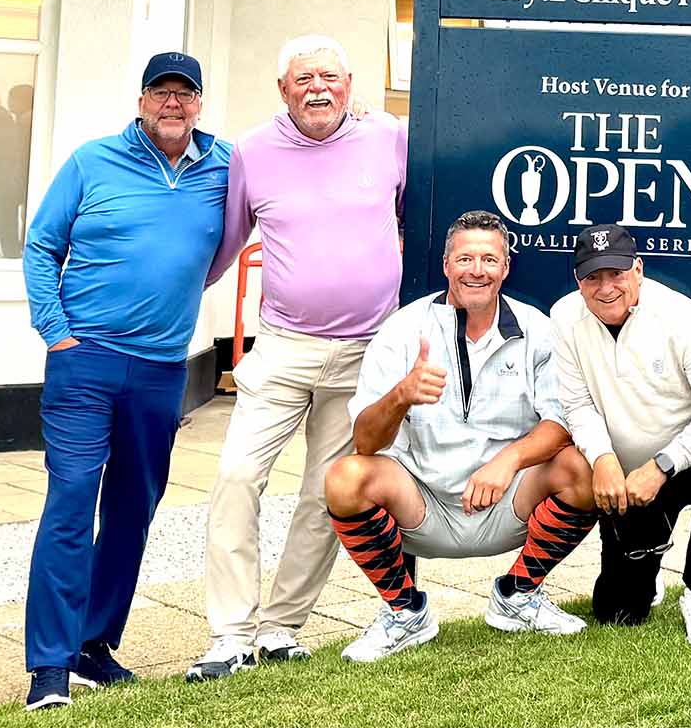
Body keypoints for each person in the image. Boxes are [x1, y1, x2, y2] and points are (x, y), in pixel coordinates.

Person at [186, 36, 408, 680]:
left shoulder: (386, 137)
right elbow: (228, 240)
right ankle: (230, 634)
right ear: (283, 89)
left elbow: (412, 219)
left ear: (349, 84)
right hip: (282, 347)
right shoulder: (252, 151)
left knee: (324, 492)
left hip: (365, 351)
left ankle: (282, 628)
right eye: (303, 78)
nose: (318, 88)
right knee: (235, 477)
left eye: (330, 77)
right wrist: (175, 294)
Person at [22, 53, 230, 710]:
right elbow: (40, 246)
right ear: (141, 101)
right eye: (161, 93)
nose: (174, 104)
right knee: (72, 499)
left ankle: (92, 647)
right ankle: (50, 667)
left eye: (185, 94)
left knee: (133, 508)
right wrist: (56, 331)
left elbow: (281, 178)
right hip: (86, 363)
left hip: (163, 371)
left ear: (199, 103)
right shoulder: (92, 161)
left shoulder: (226, 165)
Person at [323, 210, 599, 661]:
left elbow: (561, 424)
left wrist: (506, 461)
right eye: (465, 258)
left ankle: (519, 596)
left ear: (506, 268)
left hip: (506, 502)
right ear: (446, 265)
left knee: (582, 469)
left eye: (490, 260)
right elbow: (365, 443)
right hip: (423, 504)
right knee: (345, 478)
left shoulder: (538, 330)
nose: (477, 270)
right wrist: (401, 395)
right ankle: (405, 612)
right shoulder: (403, 330)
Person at [553, 224, 691, 643]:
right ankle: (649, 569)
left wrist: (662, 466)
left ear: (638, 270)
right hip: (625, 478)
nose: (605, 287)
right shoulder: (564, 317)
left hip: (688, 460)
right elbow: (577, 405)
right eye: (592, 277)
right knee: (617, 612)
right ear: (578, 280)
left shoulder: (679, 313)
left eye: (617, 274)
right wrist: (603, 460)